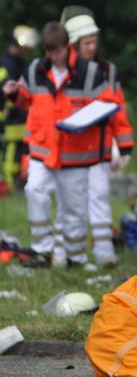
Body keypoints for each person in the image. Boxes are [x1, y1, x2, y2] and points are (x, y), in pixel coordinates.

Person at [4, 22, 115, 267]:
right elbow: (25, 100)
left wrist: (90, 118)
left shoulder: (90, 71)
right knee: (34, 190)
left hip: (75, 153)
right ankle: (42, 250)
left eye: (58, 52)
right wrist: (14, 93)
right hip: (42, 150)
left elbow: (107, 103)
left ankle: (75, 257)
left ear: (68, 47)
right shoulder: (35, 70)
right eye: (50, 52)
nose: (54, 57)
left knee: (73, 208)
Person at [61, 7, 135, 267]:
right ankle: (70, 254)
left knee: (100, 195)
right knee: (71, 200)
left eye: (94, 41)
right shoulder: (62, 71)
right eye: (86, 43)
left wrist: (125, 145)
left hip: (99, 145)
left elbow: (118, 107)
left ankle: (104, 252)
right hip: (70, 147)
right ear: (73, 44)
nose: (91, 47)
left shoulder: (107, 69)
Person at [0, 25, 39, 190]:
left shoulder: (20, 63)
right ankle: (7, 185)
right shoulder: (5, 62)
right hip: (7, 116)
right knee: (9, 150)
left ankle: (14, 183)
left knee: (18, 150)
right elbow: (4, 86)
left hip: (20, 115)